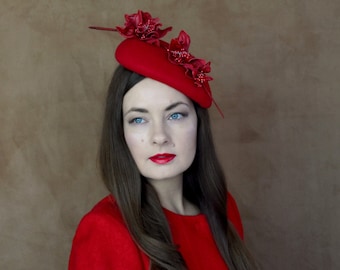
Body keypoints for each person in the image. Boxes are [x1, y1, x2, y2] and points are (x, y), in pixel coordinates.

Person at [69, 10, 258, 270]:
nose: (159, 137)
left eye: (176, 115)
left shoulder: (223, 208)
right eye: (138, 119)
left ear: (198, 124)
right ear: (120, 132)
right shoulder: (105, 229)